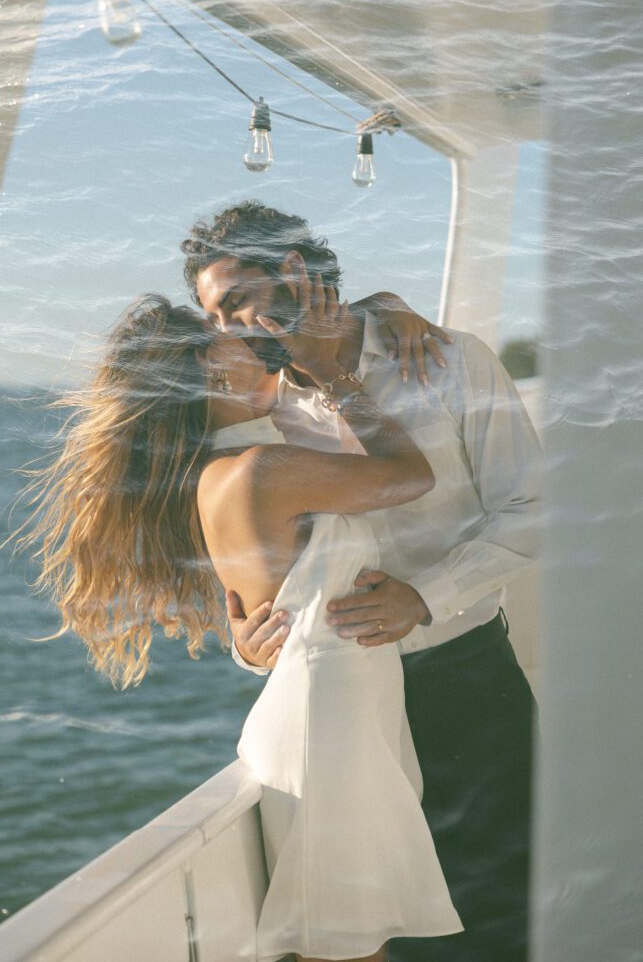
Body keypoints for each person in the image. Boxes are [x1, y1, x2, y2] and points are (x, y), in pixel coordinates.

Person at [15, 289, 463, 962]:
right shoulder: (260, 468)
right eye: (226, 336)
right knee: (347, 949)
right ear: (208, 373)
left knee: (355, 942)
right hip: (328, 722)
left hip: (338, 710)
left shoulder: (232, 466)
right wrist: (336, 376)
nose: (250, 335)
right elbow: (409, 475)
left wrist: (378, 309)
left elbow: (274, 612)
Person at [181, 200, 542, 962]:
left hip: (462, 682)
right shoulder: (247, 405)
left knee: (505, 906)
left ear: (291, 269)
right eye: (213, 316)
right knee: (395, 935)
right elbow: (248, 572)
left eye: (235, 300)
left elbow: (534, 508)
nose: (229, 329)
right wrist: (248, 645)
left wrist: (425, 598)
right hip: (339, 706)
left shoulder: (448, 358)